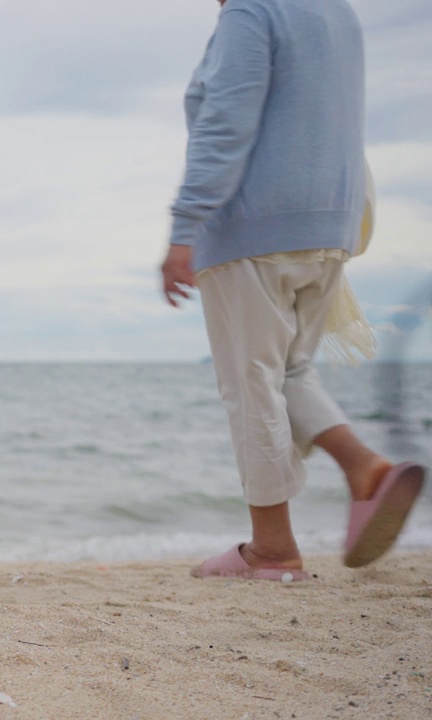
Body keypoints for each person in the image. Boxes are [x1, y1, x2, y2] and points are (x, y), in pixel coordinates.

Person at [161, 0, 424, 580]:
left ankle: (273, 549)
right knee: (290, 372)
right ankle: (367, 471)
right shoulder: (338, 12)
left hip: (252, 230)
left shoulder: (251, 13)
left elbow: (226, 122)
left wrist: (184, 228)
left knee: (250, 385)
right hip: (329, 224)